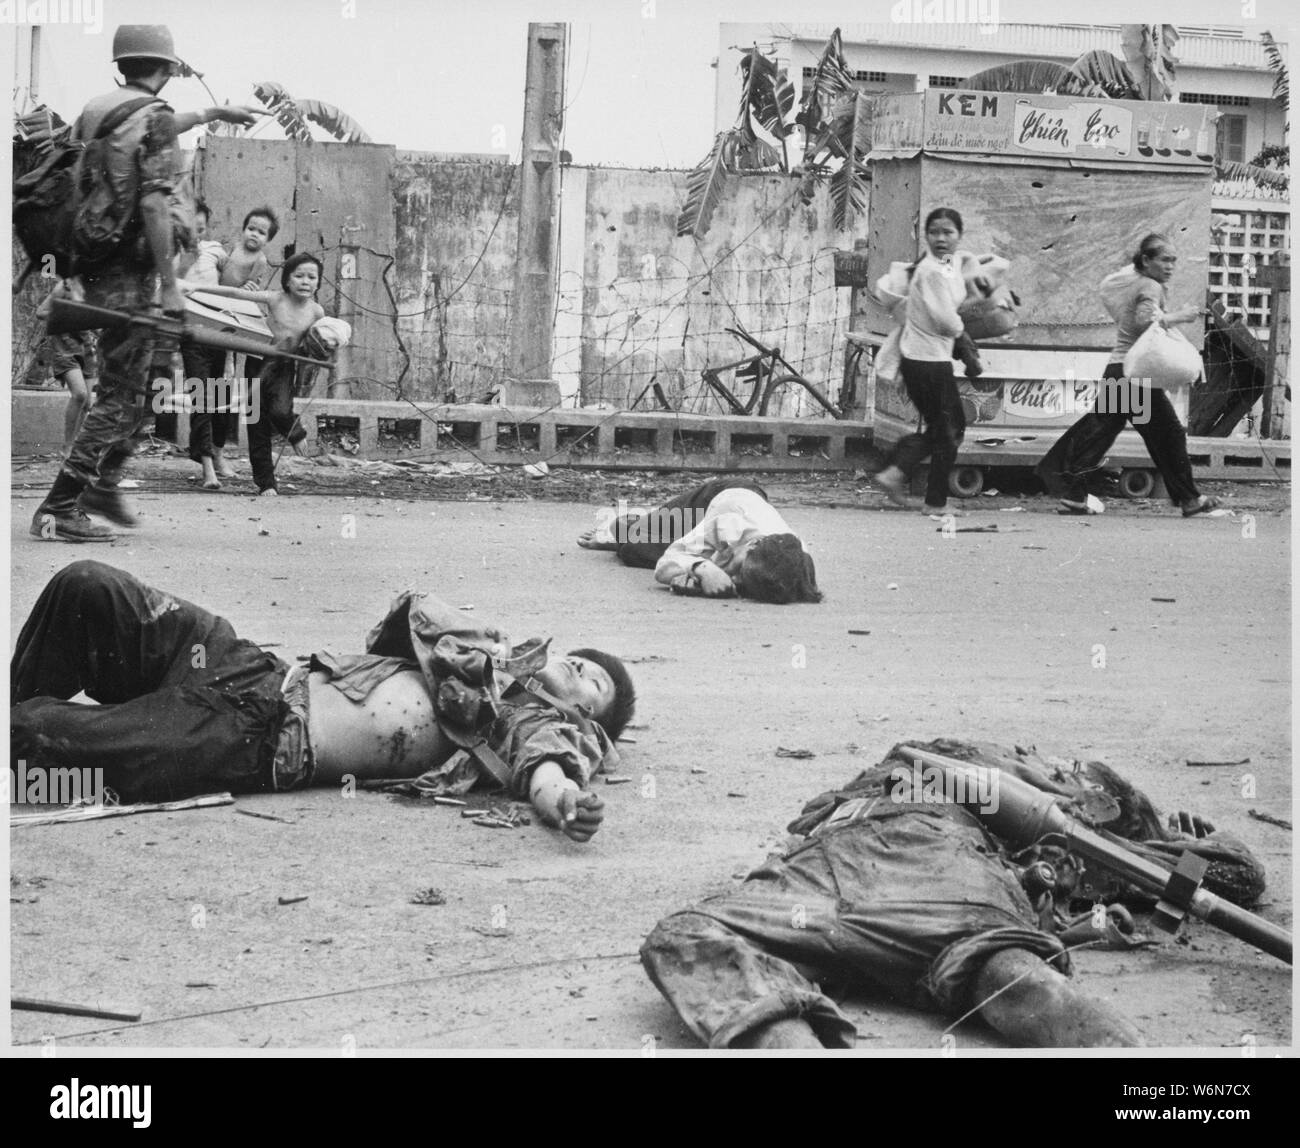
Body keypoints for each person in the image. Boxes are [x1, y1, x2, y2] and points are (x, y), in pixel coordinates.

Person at [641, 738, 1267, 1049]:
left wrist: (1201, 848)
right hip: (830, 865)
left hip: (940, 859)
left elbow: (1225, 879)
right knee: (687, 936)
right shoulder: (993, 770)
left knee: (1018, 978)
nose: (1063, 772)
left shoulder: (1058, 819)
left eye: (1076, 778)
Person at [11, 561, 637, 844]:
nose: (581, 667)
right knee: (87, 588)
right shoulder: (491, 662)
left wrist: (565, 805)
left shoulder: (536, 724)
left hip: (255, 736)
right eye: (583, 659)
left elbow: (547, 772)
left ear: (589, 720)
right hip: (245, 665)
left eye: (595, 683)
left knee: (35, 734)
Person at [28, 24, 260, 543]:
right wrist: (171, 286)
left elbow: (131, 144)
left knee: (141, 381)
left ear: (123, 64)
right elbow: (154, 201)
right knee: (127, 392)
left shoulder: (99, 108)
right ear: (169, 68)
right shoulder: (152, 119)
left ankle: (103, 482)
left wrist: (212, 114)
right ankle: (64, 503)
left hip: (92, 262)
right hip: (129, 272)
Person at [1036, 234, 1220, 517]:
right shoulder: (1150, 285)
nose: (1170, 266)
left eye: (1173, 261)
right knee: (1165, 434)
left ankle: (1073, 492)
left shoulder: (1137, 283)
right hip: (1133, 376)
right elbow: (1144, 322)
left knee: (1101, 433)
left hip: (1122, 372)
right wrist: (1181, 316)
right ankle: (1189, 499)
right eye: (1164, 260)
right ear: (1146, 260)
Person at [182, 251, 326, 494]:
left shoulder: (317, 312)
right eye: (299, 276)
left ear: (318, 282)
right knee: (256, 423)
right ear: (287, 280)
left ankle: (296, 433)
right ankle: (266, 483)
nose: (305, 281)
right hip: (257, 362)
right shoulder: (275, 299)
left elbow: (325, 343)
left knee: (281, 411)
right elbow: (235, 293)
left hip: (283, 366)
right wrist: (196, 289)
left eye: (311, 277)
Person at [872, 207, 982, 516]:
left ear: (960, 235)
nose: (941, 238)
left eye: (948, 232)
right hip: (927, 361)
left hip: (926, 358)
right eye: (934, 232)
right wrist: (965, 338)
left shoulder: (946, 266)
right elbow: (946, 320)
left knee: (944, 427)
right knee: (950, 430)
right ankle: (935, 502)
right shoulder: (932, 270)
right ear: (926, 236)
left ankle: (893, 471)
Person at [577, 477, 822, 603]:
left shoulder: (795, 561)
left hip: (735, 519)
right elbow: (665, 565)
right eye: (736, 569)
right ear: (752, 543)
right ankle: (624, 530)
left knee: (633, 551)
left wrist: (697, 580)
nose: (731, 578)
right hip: (714, 500)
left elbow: (800, 590)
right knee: (626, 534)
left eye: (739, 579)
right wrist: (701, 568)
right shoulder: (731, 522)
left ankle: (645, 539)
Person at [34, 281, 95, 449]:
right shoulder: (65, 286)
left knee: (88, 402)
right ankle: (67, 447)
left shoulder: (96, 286)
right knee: (80, 395)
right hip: (64, 347)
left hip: (86, 347)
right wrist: (65, 314)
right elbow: (41, 312)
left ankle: (75, 446)